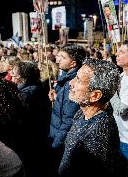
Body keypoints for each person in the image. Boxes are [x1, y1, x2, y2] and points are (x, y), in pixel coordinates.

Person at [58, 59, 125, 177]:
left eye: (78, 80)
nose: (71, 83)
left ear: (95, 95)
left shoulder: (98, 132)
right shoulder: (82, 113)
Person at [48, 45, 86, 173]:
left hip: (62, 140)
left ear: (73, 63)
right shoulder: (65, 78)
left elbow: (69, 120)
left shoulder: (73, 84)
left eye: (62, 57)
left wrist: (56, 144)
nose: (58, 60)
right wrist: (57, 97)